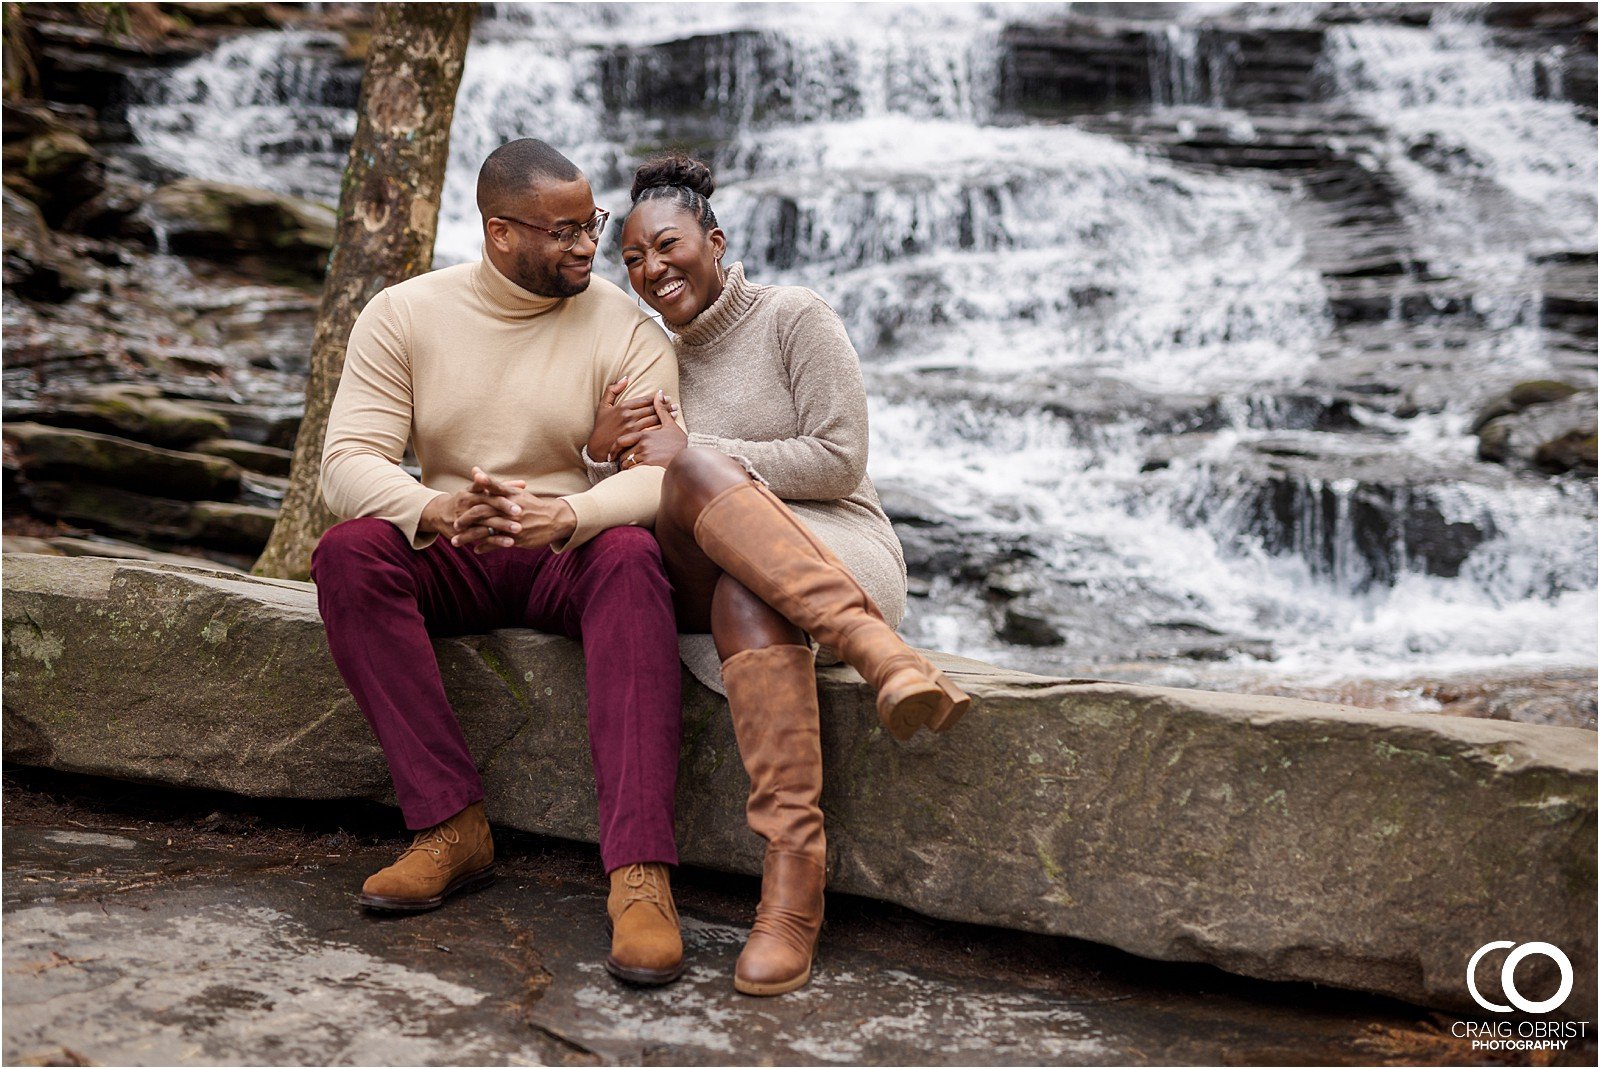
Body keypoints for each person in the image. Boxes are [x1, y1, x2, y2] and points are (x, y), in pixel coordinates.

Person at [311, 139, 688, 987]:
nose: (589, 247)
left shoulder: (626, 328)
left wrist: (572, 513)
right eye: (563, 232)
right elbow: (346, 462)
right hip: (457, 543)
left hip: (568, 549)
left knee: (631, 556)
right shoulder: (404, 313)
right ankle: (451, 824)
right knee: (347, 554)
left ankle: (640, 872)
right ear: (499, 232)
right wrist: (434, 507)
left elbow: (664, 480)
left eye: (590, 224)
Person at [592, 155, 971, 997]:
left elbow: (840, 460)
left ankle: (790, 900)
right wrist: (598, 450)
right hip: (713, 573)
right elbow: (631, 493)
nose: (651, 270)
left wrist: (703, 452)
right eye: (633, 260)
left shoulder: (794, 316)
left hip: (837, 545)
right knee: (692, 487)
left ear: (715, 241)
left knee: (739, 571)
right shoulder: (644, 357)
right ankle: (881, 655)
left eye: (667, 246)